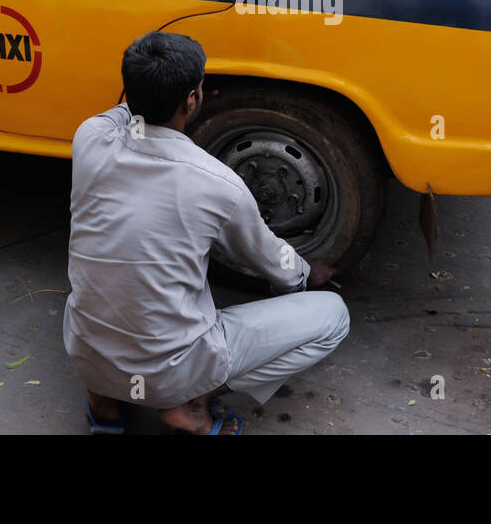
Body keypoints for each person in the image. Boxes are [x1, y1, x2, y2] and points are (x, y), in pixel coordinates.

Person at [63, 31, 349, 435]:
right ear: (192, 100)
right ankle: (191, 403)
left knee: (101, 288)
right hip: (172, 371)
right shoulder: (219, 184)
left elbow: (125, 111)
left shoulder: (89, 137)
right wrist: (307, 273)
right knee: (334, 318)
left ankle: (104, 404)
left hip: (86, 352)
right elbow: (277, 266)